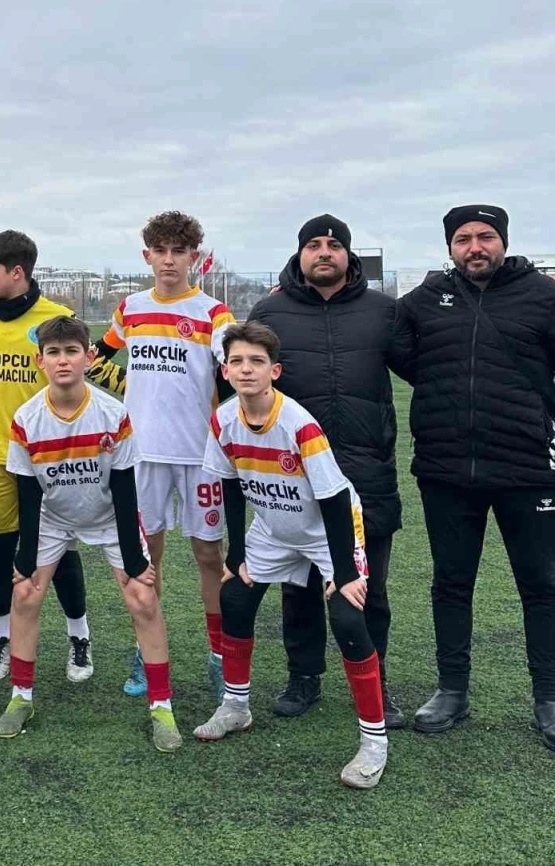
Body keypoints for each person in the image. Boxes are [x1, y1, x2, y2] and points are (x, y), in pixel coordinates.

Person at [391, 205, 555, 750]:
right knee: (451, 582)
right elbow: (399, 352)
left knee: (542, 584)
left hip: (528, 469)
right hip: (446, 469)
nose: (475, 247)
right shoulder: (424, 301)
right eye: (463, 239)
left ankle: (549, 697)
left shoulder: (543, 296)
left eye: (486, 236)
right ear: (451, 247)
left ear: (503, 241)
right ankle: (452, 690)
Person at [197, 321, 387, 790]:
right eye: (237, 361)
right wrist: (237, 554)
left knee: (347, 618)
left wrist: (344, 571)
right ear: (225, 370)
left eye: (257, 361)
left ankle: (374, 742)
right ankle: (236, 707)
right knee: (235, 597)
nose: (246, 369)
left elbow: (334, 498)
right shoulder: (223, 420)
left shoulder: (298, 424)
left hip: (328, 528)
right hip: (274, 528)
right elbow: (230, 484)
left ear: (274, 371)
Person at [247, 215, 404, 728]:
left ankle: (375, 680)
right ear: (300, 254)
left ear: (348, 255)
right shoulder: (270, 311)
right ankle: (304, 676)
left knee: (368, 586)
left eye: (334, 245)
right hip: (294, 475)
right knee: (300, 587)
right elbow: (243, 379)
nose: (324, 252)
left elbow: (424, 367)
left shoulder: (383, 310)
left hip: (366, 469)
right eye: (313, 244)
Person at [0, 317, 180, 751]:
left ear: (89, 357)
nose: (63, 361)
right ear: (40, 361)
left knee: (142, 597)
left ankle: (162, 706)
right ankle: (20, 697)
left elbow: (124, 487)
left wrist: (135, 560)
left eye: (72, 351)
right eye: (54, 353)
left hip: (108, 516)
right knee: (25, 594)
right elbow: (27, 493)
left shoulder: (112, 413)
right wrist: (26, 558)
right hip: (52, 517)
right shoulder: (26, 419)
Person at [90, 211, 234, 701]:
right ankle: (144, 651)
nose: (169, 260)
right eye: (161, 251)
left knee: (209, 554)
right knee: (146, 556)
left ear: (195, 257)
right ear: (147, 256)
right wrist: (124, 393)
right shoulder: (130, 308)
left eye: (179, 251)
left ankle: (219, 657)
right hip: (141, 456)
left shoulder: (215, 314)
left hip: (199, 455)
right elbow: (97, 356)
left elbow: (233, 370)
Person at [0, 230, 94, 685]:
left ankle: (79, 638)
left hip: (47, 458)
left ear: (16, 272)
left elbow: (83, 375)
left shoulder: (58, 319)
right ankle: (3, 637)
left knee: (60, 551)